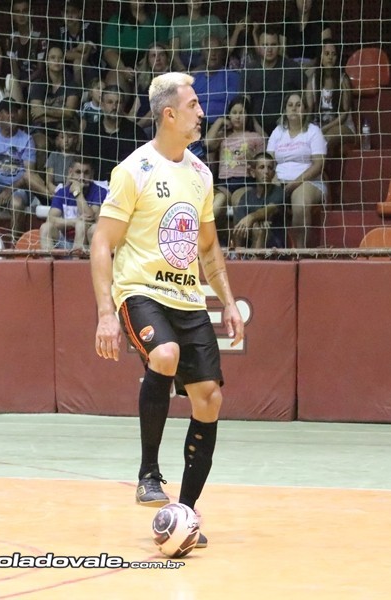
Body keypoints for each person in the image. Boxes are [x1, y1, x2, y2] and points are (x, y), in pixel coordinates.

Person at [90, 72, 244, 549]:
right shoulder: (133, 170)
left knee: (210, 399)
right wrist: (105, 314)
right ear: (170, 114)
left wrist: (227, 300)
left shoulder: (200, 174)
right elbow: (101, 242)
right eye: (194, 105)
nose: (202, 112)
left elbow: (209, 247)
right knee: (165, 355)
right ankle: (148, 474)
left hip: (188, 298)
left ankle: (186, 513)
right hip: (141, 291)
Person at [0, 98, 47, 241]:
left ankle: (15, 244)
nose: (12, 115)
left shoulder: (26, 139)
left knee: (17, 203)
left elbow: (29, 174)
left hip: (16, 188)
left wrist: (9, 190)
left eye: (15, 112)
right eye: (8, 112)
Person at [267, 91, 327, 248]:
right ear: (285, 110)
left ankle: (299, 252)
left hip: (308, 181)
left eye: (298, 105)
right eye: (290, 105)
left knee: (300, 205)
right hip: (279, 180)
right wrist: (272, 178)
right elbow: (269, 161)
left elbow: (318, 165)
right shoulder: (278, 132)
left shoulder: (313, 131)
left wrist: (294, 183)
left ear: (305, 109)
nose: (294, 108)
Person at [205, 96, 266, 230]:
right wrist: (220, 121)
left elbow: (264, 158)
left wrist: (252, 159)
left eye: (242, 113)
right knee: (217, 203)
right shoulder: (223, 136)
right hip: (224, 183)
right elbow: (208, 143)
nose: (238, 117)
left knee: (239, 203)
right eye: (234, 113)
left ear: (248, 116)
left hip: (245, 181)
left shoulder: (255, 137)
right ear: (229, 115)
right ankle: (213, 237)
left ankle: (237, 241)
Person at [81, 85, 148, 184]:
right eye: (110, 102)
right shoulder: (91, 131)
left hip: (127, 185)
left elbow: (145, 164)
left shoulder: (136, 133)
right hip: (96, 186)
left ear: (123, 106)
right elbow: (85, 163)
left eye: (118, 102)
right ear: (102, 105)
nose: (114, 107)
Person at [28, 44, 82, 167]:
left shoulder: (71, 85)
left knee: (70, 140)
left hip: (65, 129)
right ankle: (40, 178)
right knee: (41, 144)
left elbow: (69, 113)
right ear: (46, 61)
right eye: (52, 57)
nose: (57, 61)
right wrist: (60, 114)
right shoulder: (38, 84)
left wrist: (45, 111)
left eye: (60, 58)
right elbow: (36, 115)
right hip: (42, 129)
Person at [243, 26, 304, 130]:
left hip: (288, 127)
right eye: (265, 45)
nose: (269, 49)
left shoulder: (292, 67)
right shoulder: (249, 70)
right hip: (254, 128)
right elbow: (244, 104)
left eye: (273, 44)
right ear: (258, 46)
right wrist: (257, 129)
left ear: (279, 46)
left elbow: (306, 98)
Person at [101, 0, 170, 92]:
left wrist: (146, 64)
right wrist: (123, 69)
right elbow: (109, 51)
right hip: (123, 64)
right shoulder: (116, 20)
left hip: (151, 63)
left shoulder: (158, 19)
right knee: (114, 81)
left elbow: (164, 47)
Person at [304, 39, 356, 157]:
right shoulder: (313, 80)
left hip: (343, 127)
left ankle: (318, 168)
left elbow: (344, 115)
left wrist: (322, 130)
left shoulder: (343, 80)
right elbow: (309, 110)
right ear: (320, 57)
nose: (330, 57)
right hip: (318, 127)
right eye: (327, 54)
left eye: (333, 54)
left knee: (325, 139)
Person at [40, 157, 103, 251]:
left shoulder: (99, 191)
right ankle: (47, 260)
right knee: (45, 228)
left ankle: (76, 259)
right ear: (71, 172)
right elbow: (50, 219)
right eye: (78, 172)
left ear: (92, 174)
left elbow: (91, 219)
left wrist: (78, 194)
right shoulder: (62, 192)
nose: (82, 177)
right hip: (64, 240)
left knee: (81, 225)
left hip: (87, 242)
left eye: (86, 173)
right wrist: (74, 222)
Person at [231, 152, 286, 249]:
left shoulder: (279, 192)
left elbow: (268, 210)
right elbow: (239, 227)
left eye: (270, 168)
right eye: (262, 167)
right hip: (249, 242)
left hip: (275, 244)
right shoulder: (246, 197)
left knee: (259, 229)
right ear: (253, 173)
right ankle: (239, 256)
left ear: (273, 174)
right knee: (252, 227)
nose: (266, 171)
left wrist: (251, 218)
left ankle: (254, 259)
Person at [191, 36, 242, 127]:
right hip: (198, 125)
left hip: (225, 125)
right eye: (208, 50)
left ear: (222, 53)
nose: (213, 53)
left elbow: (233, 104)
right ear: (203, 54)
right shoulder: (195, 80)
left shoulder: (232, 77)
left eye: (217, 50)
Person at [129, 42, 176, 137]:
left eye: (161, 55)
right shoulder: (144, 81)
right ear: (148, 61)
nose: (158, 59)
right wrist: (126, 125)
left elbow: (154, 113)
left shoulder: (171, 81)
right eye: (153, 56)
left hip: (154, 125)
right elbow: (134, 110)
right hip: (139, 124)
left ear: (167, 58)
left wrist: (136, 128)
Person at [169, 0, 229, 72]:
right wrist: (182, 70)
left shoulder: (213, 20)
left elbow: (227, 48)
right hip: (184, 62)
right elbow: (174, 53)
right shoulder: (177, 22)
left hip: (208, 62)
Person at [57, 0, 102, 89]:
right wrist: (77, 50)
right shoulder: (59, 31)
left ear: (80, 13)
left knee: (78, 63)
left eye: (73, 12)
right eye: (66, 12)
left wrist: (68, 53)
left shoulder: (89, 27)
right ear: (62, 14)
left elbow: (84, 57)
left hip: (90, 69)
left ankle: (78, 93)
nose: (70, 16)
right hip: (66, 70)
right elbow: (58, 55)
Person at [5, 0, 46, 97]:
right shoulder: (11, 38)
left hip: (36, 79)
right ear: (13, 16)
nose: (21, 15)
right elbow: (14, 70)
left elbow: (40, 69)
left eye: (25, 11)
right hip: (19, 79)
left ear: (31, 13)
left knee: (34, 86)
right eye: (17, 12)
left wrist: (23, 83)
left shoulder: (40, 36)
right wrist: (17, 84)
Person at [279, 0, 332, 69]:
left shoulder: (322, 24)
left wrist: (312, 65)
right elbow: (282, 52)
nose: (304, 2)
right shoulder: (286, 24)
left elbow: (326, 52)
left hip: (315, 68)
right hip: (291, 68)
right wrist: (292, 66)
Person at [45, 123, 81, 198]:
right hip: (55, 191)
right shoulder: (53, 155)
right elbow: (49, 181)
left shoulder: (78, 157)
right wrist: (58, 191)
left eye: (69, 137)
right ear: (57, 139)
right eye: (62, 137)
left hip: (71, 190)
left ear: (75, 139)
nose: (66, 141)